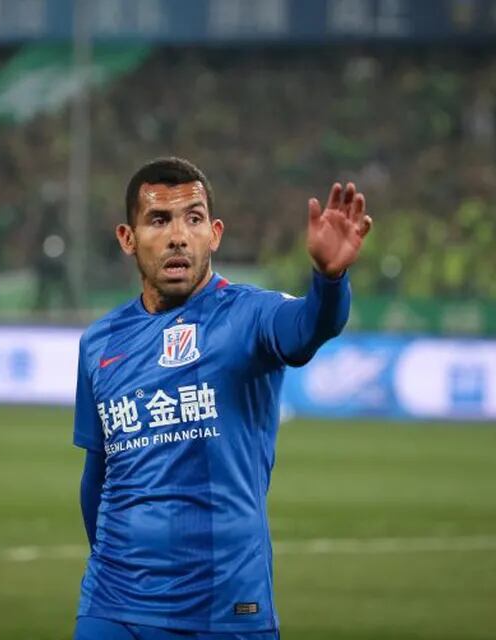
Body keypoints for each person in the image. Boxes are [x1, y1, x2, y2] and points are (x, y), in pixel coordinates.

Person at [72, 157, 372, 640]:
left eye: (192, 219)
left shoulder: (250, 317)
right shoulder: (99, 343)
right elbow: (97, 475)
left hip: (225, 611)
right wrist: (110, 568)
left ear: (214, 233)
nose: (177, 236)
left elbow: (309, 327)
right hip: (113, 607)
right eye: (158, 220)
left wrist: (329, 282)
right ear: (127, 238)